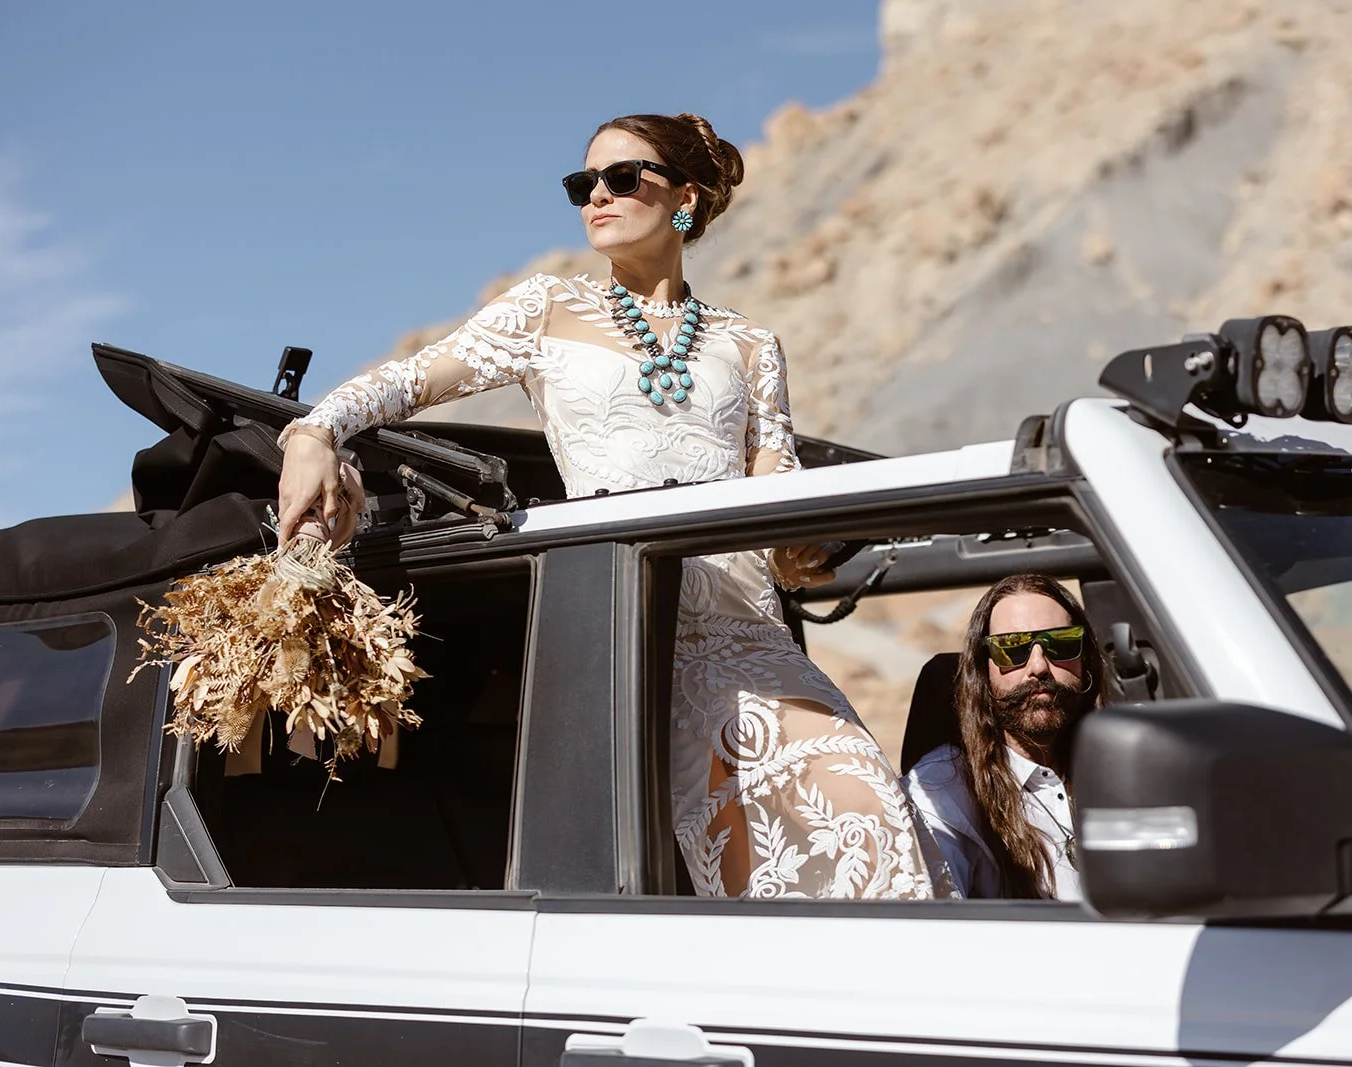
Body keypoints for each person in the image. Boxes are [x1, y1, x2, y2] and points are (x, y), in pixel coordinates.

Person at [274, 113, 937, 900]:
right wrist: (314, 432)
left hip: (744, 629)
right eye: (582, 183)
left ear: (685, 197)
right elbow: (408, 381)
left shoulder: (751, 343)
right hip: (625, 627)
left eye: (622, 178)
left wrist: (804, 550)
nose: (597, 195)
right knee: (751, 865)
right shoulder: (547, 308)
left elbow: (775, 494)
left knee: (867, 799)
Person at [903, 573, 1107, 899]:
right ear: (982, 672)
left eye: (1061, 642)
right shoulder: (941, 792)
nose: (1038, 666)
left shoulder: (1121, 766)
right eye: (1012, 648)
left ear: (1086, 660)